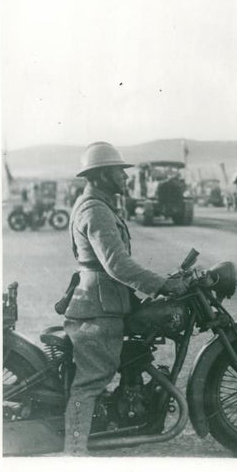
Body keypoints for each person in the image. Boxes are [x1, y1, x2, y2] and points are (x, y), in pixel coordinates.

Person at [62, 142, 188, 456]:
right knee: (91, 381)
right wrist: (162, 285)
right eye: (119, 171)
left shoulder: (99, 206)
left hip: (105, 299)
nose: (125, 176)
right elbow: (116, 264)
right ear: (102, 174)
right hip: (98, 307)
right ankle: (73, 455)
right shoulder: (95, 210)